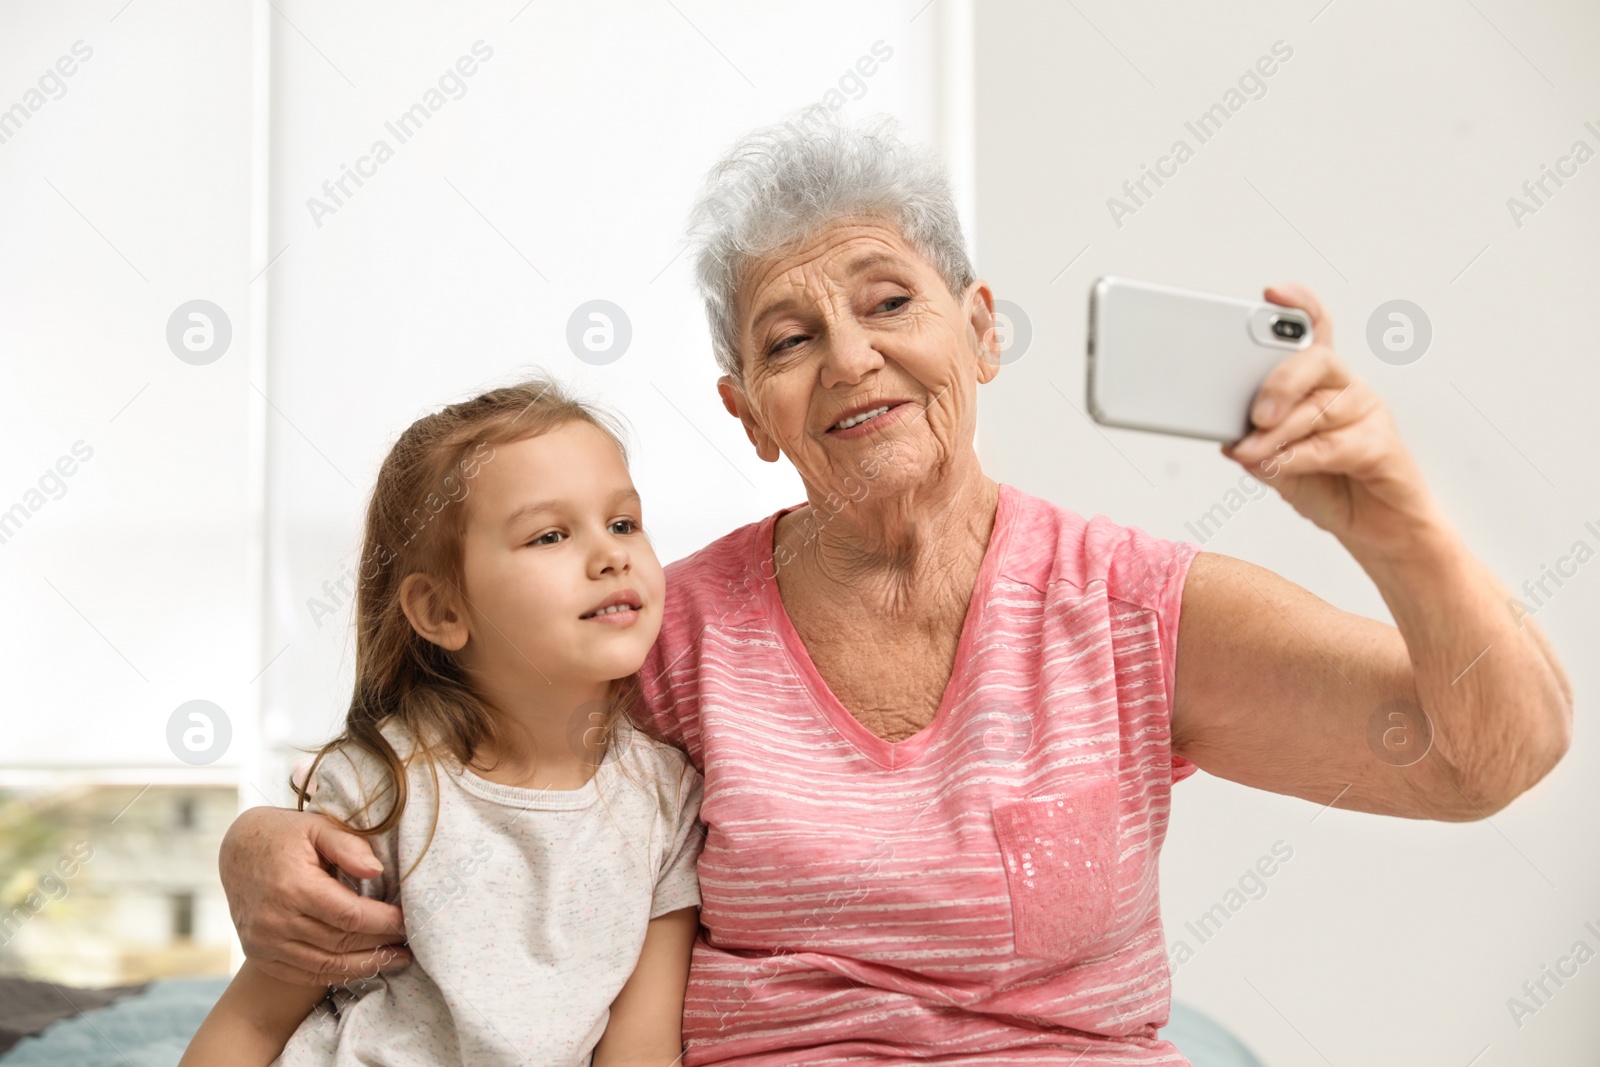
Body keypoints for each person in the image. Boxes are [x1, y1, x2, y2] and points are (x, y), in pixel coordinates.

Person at [215, 114, 1572, 1065]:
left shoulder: (1128, 609)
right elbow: (456, 754)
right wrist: (263, 845)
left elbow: (1486, 756)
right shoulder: (664, 625)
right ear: (753, 413)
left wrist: (1392, 519)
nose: (853, 358)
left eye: (890, 302)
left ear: (979, 329)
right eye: (792, 337)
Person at [182, 377, 704, 1067]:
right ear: (441, 612)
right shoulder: (384, 787)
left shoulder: (667, 798)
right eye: (550, 534)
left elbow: (640, 1050)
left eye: (623, 522)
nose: (612, 554)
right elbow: (252, 1021)